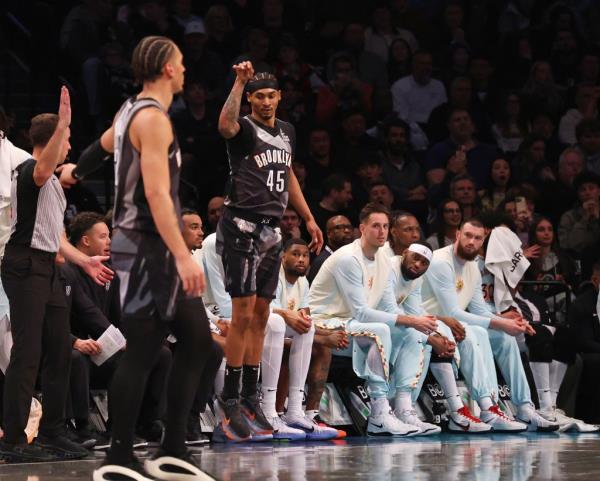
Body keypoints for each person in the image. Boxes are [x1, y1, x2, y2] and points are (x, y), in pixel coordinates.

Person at [58, 36, 216, 480]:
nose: (185, 70)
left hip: (147, 245)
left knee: (198, 341)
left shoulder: (131, 110)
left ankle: (173, 450)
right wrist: (183, 255)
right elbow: (156, 194)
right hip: (148, 245)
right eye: (181, 63)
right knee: (144, 348)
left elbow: (103, 145)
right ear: (167, 68)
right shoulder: (154, 120)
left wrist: (75, 171)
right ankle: (119, 457)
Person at [0, 89, 113, 463]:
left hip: (48, 265)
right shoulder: (29, 171)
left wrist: (85, 261)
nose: (70, 146)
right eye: (66, 139)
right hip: (23, 264)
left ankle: (52, 432)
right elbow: (45, 167)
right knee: (28, 353)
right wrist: (62, 121)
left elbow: (57, 238)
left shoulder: (52, 185)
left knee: (59, 354)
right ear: (51, 141)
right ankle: (13, 439)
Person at [215, 62, 323, 442]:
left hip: (272, 229)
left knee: (262, 314)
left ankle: (250, 398)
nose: (264, 101)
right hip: (241, 224)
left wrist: (308, 218)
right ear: (250, 100)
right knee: (242, 314)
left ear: (280, 97)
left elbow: (288, 173)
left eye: (269, 94)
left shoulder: (288, 131)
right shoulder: (243, 127)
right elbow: (223, 125)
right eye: (257, 96)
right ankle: (230, 400)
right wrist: (239, 81)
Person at [309, 203, 452, 436]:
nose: (382, 231)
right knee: (381, 330)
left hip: (353, 326)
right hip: (325, 323)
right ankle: (378, 413)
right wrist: (412, 320)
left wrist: (425, 329)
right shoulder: (348, 259)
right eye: (376, 226)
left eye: (385, 226)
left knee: (415, 334)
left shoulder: (385, 259)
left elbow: (386, 307)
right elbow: (362, 313)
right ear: (362, 229)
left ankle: (404, 408)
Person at [421, 219, 559, 431]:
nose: (472, 242)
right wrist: (501, 323)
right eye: (467, 235)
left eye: (477, 238)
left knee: (505, 338)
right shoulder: (441, 261)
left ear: (483, 240)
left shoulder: (474, 267)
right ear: (458, 234)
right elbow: (453, 312)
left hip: (456, 324)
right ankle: (489, 407)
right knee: (477, 332)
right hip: (433, 321)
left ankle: (525, 407)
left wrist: (509, 323)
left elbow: (479, 310)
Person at [386, 241, 491, 433]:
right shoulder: (389, 268)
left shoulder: (416, 278)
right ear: (405, 252)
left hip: (392, 324)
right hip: (373, 324)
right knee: (417, 336)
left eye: (424, 262)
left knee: (438, 331)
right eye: (415, 258)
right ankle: (401, 408)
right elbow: (389, 311)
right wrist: (432, 339)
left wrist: (438, 336)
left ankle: (458, 410)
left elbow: (416, 311)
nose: (418, 264)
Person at [261, 238, 339, 440]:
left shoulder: (303, 282)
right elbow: (264, 310)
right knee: (280, 326)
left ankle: (299, 412)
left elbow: (304, 317)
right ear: (283, 256)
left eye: (305, 255)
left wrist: (325, 335)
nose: (301, 259)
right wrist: (323, 338)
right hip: (259, 331)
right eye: (295, 254)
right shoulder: (272, 275)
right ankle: (272, 412)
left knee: (310, 331)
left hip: (282, 335)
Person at [180, 209, 224, 446]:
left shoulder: (192, 259)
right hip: (165, 329)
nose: (200, 232)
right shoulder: (169, 260)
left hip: (187, 323)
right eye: (193, 227)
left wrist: (217, 322)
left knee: (214, 350)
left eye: (200, 226)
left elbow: (196, 302)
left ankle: (192, 415)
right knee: (204, 346)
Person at [307, 215, 354, 284]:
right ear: (329, 234)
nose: (346, 230)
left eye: (349, 227)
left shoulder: (354, 257)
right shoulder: (322, 262)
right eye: (339, 227)